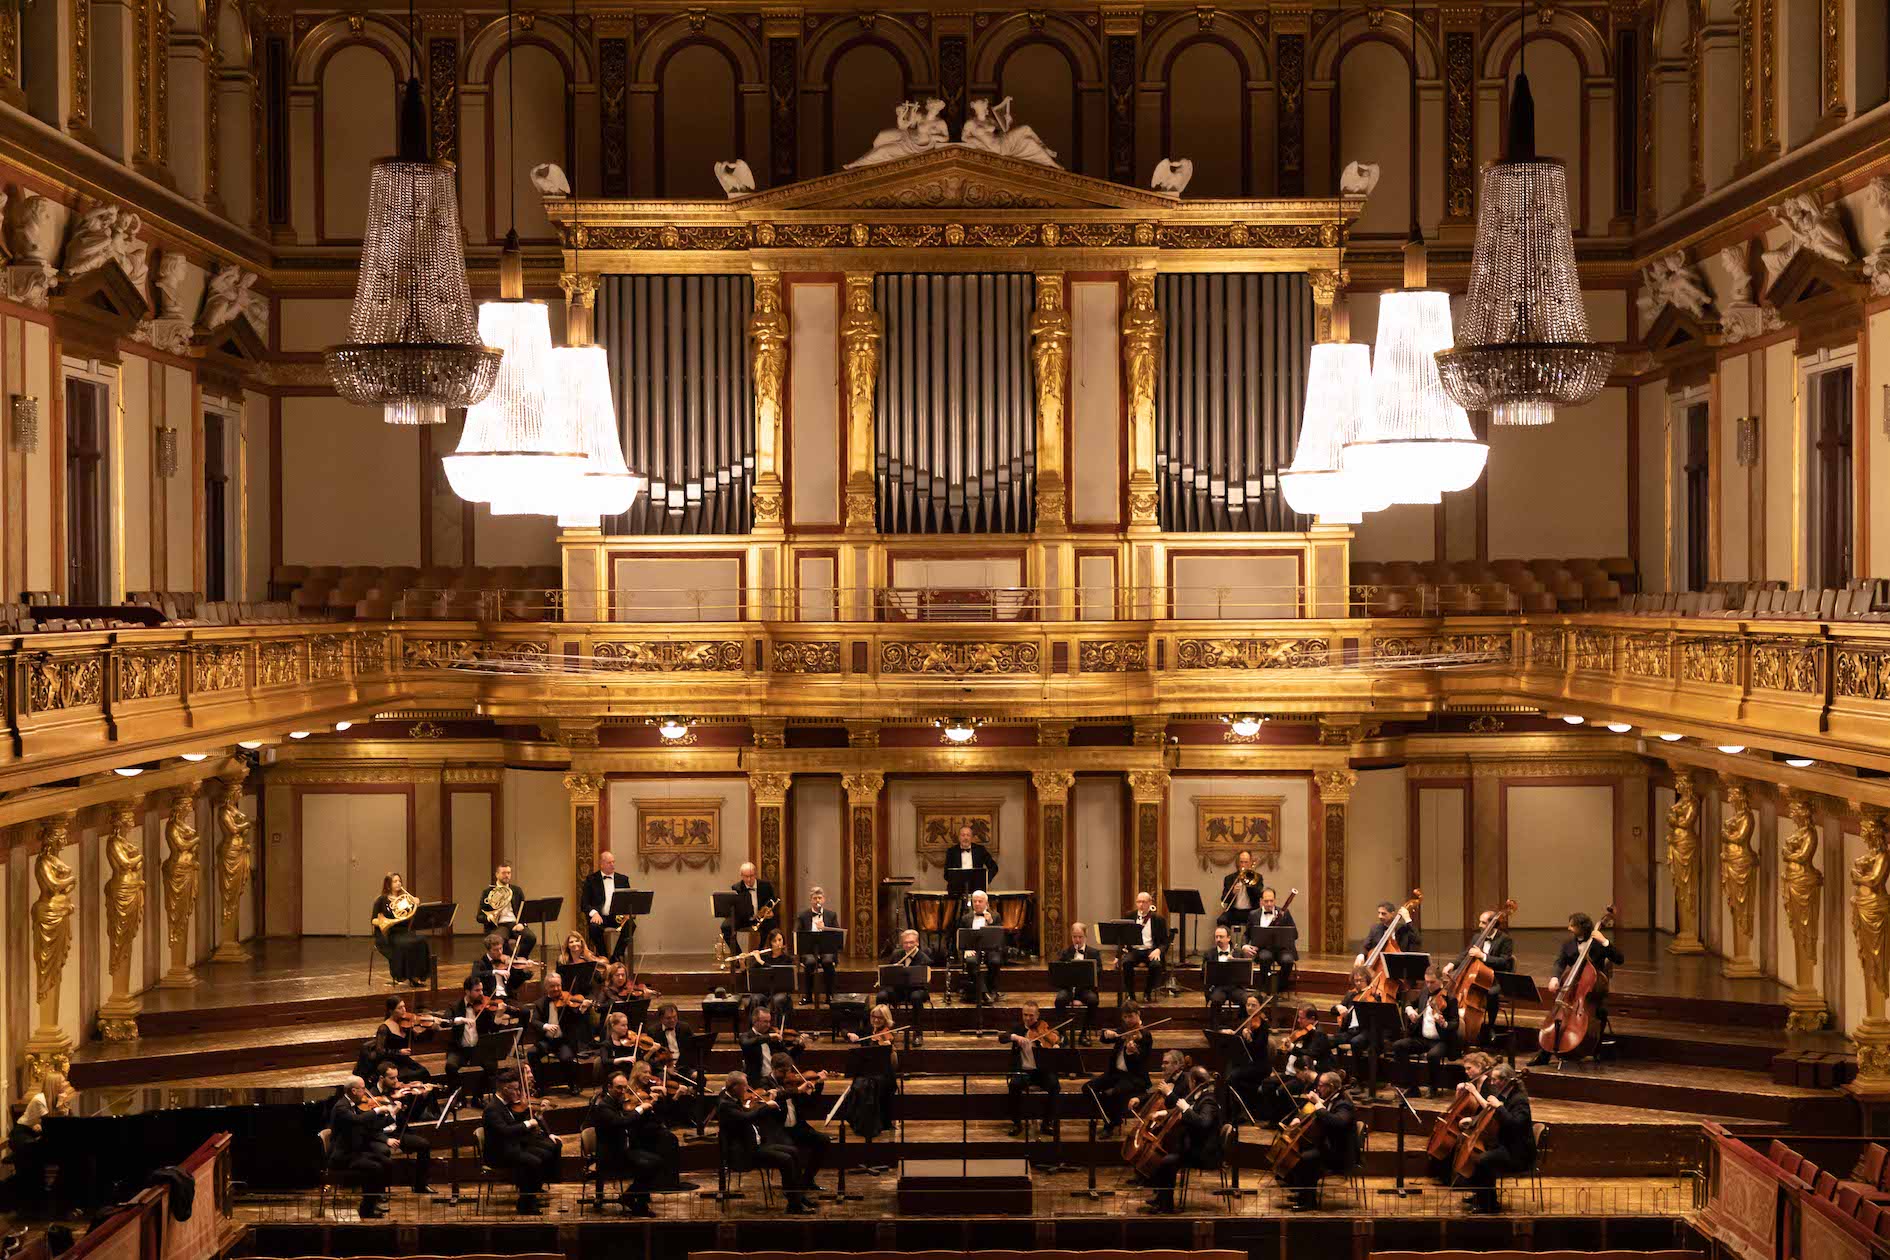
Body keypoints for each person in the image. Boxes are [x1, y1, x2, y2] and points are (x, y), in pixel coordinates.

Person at [1531, 911, 1625, 1065]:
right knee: (1558, 1014)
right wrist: (1555, 978)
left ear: (1583, 927)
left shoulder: (1598, 943)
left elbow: (1619, 959)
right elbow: (1560, 962)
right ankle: (1545, 1053)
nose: (1569, 928)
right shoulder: (1568, 944)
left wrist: (1605, 942)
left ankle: (1596, 1048)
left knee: (1601, 1012)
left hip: (1593, 989)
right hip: (1573, 989)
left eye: (1572, 925)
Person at [716, 1071, 813, 1214]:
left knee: (793, 1151)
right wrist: (766, 1107)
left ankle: (797, 1196)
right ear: (735, 1087)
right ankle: (794, 1205)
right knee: (786, 1160)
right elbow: (745, 1118)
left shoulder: (733, 1098)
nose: (748, 1089)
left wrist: (763, 1104)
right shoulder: (725, 1104)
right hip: (746, 1153)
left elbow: (749, 1113)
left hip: (756, 1145)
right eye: (745, 1086)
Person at [1142, 1066, 1223, 1214]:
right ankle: (1162, 1198)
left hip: (1204, 1153)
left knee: (1167, 1162)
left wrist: (1186, 1109)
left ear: (1193, 1081)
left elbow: (1203, 1123)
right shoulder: (1198, 1095)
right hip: (1193, 1147)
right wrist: (1164, 1112)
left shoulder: (1209, 1101)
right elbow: (1183, 1108)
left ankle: (1166, 1206)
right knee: (1167, 1158)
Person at [481, 1070, 561, 1213]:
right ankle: (525, 1205)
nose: (518, 1093)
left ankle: (532, 1195)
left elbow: (514, 1124)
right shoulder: (492, 1109)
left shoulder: (505, 1104)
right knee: (533, 1162)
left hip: (511, 1146)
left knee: (544, 1153)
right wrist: (528, 1124)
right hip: (499, 1153)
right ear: (506, 1089)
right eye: (516, 1089)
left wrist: (536, 1118)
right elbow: (505, 1131)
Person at [1459, 1065, 1536, 1213]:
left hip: (1519, 1153)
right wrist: (1473, 1120)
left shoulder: (1520, 1100)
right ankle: (1482, 1196)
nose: (1492, 1083)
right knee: (1477, 1153)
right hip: (1506, 1145)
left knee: (1483, 1160)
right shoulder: (1504, 1096)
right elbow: (1491, 1116)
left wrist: (1499, 1107)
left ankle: (1489, 1205)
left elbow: (1515, 1125)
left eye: (1495, 1080)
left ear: (1505, 1081)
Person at [1276, 1071, 1356, 1210]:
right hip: (1327, 1147)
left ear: (1330, 1086)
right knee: (1300, 1153)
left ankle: (1309, 1202)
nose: (1318, 1088)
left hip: (1339, 1153)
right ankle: (1302, 1192)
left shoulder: (1344, 1104)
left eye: (1320, 1085)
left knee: (1304, 1159)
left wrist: (1318, 1104)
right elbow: (1314, 1115)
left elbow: (1338, 1122)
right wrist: (1299, 1118)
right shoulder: (1329, 1099)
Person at [590, 1069, 660, 1215]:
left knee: (656, 1160)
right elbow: (621, 1122)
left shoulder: (617, 1102)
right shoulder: (603, 1107)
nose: (623, 1091)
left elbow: (630, 1120)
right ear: (609, 1087)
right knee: (647, 1165)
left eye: (625, 1087)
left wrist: (648, 1108)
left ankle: (630, 1197)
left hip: (622, 1150)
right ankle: (637, 1203)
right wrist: (640, 1108)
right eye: (619, 1088)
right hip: (611, 1155)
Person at [328, 1076, 399, 1218]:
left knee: (387, 1162)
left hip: (356, 1151)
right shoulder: (342, 1107)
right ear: (353, 1091)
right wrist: (377, 1111)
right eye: (362, 1089)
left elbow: (369, 1128)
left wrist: (392, 1115)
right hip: (344, 1156)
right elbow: (358, 1121)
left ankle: (372, 1202)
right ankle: (367, 1209)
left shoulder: (354, 1105)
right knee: (376, 1168)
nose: (365, 1092)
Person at [1445, 907, 1516, 1042]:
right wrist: (1452, 965)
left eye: (1483, 923)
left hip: (1496, 978)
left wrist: (1483, 956)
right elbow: (1466, 953)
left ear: (1492, 924)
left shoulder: (1505, 940)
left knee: (1491, 993)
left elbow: (1504, 962)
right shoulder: (1477, 937)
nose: (1479, 925)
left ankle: (1490, 1026)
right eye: (1480, 922)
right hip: (1478, 976)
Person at [7, 1071, 75, 1211]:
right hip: (22, 1134)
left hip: (36, 1132)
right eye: (63, 1081)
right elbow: (52, 1124)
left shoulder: (57, 1098)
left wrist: (64, 1106)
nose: (66, 1083)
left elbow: (58, 1125)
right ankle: (37, 1197)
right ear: (55, 1084)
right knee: (35, 1156)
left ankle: (57, 1193)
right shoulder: (40, 1099)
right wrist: (61, 1107)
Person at [1388, 966, 1459, 1097]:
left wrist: (1444, 1023)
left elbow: (1455, 1023)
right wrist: (1410, 1010)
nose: (1429, 985)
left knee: (1432, 1055)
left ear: (1440, 980)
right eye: (1426, 982)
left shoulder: (1450, 998)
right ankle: (1411, 1086)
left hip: (1441, 1040)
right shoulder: (1425, 992)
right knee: (1398, 1046)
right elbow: (1410, 1002)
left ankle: (1433, 1087)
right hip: (1422, 1038)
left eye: (1432, 982)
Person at [1087, 1002, 1153, 1136]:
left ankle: (1111, 1125)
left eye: (1131, 1016)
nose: (1128, 1020)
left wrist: (1130, 1053)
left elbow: (1141, 1062)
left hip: (1134, 1077)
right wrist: (1106, 1034)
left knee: (1112, 1093)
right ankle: (1109, 1119)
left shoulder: (1145, 1035)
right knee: (1088, 1087)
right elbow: (1104, 1039)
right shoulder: (1123, 1029)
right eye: (1125, 1017)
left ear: (1138, 1014)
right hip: (1115, 1073)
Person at [369, 1064, 437, 1194]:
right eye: (392, 1078)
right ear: (382, 1078)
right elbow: (371, 1127)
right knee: (383, 1152)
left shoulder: (398, 1093)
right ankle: (379, 1192)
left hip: (398, 1132)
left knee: (424, 1145)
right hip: (380, 1135)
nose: (396, 1082)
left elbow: (412, 1116)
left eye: (396, 1078)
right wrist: (386, 1140)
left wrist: (423, 1097)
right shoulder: (372, 1096)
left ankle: (420, 1185)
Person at [443, 978, 514, 1095]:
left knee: (492, 1066)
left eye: (481, 989)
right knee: (450, 1066)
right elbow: (445, 1021)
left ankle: (478, 1096)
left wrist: (499, 1015)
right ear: (467, 991)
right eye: (477, 990)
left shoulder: (484, 1007)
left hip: (479, 1048)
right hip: (459, 1049)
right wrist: (460, 1020)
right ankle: (457, 1097)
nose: (481, 993)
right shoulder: (455, 1006)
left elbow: (493, 1028)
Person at [1003, 1000, 1062, 1138]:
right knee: (1014, 1085)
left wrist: (1055, 1046)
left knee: (1055, 1085)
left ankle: (1047, 1123)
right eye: (1025, 1015)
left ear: (1038, 1015)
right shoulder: (1018, 1029)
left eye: (1031, 1015)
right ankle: (1017, 1123)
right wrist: (1015, 1037)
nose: (1028, 1018)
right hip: (1023, 1071)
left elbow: (1058, 1038)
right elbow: (1002, 1037)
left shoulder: (1044, 1028)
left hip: (1041, 1071)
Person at [370, 873, 432, 986]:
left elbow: (410, 916)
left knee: (421, 941)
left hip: (403, 932)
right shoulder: (381, 900)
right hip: (388, 934)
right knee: (403, 944)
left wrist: (415, 904)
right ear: (388, 885)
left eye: (399, 881)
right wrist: (384, 922)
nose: (398, 883)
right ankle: (404, 976)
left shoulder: (406, 899)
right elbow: (373, 920)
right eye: (395, 881)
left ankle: (416, 975)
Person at [528, 972, 589, 1082]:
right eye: (552, 986)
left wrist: (582, 1009)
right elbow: (534, 1021)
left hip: (564, 1041)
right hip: (546, 1041)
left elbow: (577, 1019)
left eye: (558, 985)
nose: (556, 989)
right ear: (546, 987)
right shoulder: (540, 1003)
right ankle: (540, 1085)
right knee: (532, 1054)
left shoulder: (568, 1001)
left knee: (566, 1058)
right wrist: (545, 1026)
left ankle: (573, 1084)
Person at [877, 929, 934, 1045]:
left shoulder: (924, 959)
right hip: (900, 989)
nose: (908, 945)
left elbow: (924, 983)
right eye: (905, 943)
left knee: (916, 997)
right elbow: (889, 976)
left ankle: (918, 1034)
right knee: (881, 996)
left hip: (917, 990)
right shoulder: (896, 954)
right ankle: (883, 1032)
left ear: (917, 943)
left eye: (911, 942)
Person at [580, 851, 635, 961]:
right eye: (609, 862)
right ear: (602, 864)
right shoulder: (591, 880)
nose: (613, 865)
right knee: (594, 928)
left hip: (616, 917)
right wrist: (594, 913)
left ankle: (616, 956)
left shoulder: (623, 879)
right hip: (600, 916)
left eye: (613, 862)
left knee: (630, 925)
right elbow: (584, 903)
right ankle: (603, 956)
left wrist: (627, 913)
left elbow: (628, 900)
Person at [1053, 922, 1103, 1043]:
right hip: (1069, 989)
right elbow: (1059, 973)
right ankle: (1063, 1034)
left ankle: (1084, 1033)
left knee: (1093, 1000)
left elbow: (1099, 972)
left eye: (1080, 937)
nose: (1077, 940)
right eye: (1075, 937)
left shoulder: (1094, 953)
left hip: (1085, 990)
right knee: (1059, 1000)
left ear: (1085, 937)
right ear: (1071, 937)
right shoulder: (1065, 952)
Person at [476, 862, 536, 961]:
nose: (507, 875)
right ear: (497, 874)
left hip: (515, 923)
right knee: (500, 941)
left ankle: (521, 959)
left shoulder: (517, 890)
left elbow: (524, 911)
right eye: (504, 873)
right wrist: (490, 917)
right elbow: (479, 917)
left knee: (531, 938)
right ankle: (504, 962)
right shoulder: (488, 892)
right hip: (498, 925)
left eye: (509, 873)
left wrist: (522, 923)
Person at [794, 887, 842, 1005]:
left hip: (827, 949)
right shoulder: (802, 915)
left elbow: (837, 933)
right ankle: (808, 996)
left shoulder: (831, 915)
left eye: (819, 898)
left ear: (823, 899)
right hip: (809, 950)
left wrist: (824, 928)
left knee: (827, 961)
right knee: (810, 962)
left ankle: (829, 995)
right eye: (815, 898)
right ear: (811, 900)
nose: (817, 901)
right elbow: (797, 933)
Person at [956, 890, 1005, 1005]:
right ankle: (984, 992)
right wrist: (966, 949)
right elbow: (961, 936)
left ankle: (992, 990)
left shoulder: (995, 916)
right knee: (971, 961)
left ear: (986, 903)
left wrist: (990, 922)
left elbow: (999, 936)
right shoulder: (965, 918)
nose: (977, 904)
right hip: (973, 948)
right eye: (975, 901)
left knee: (995, 961)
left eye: (980, 901)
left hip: (991, 948)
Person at [1119, 891, 1169, 1003]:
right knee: (1126, 963)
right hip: (1134, 950)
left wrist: (1158, 950)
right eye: (1139, 902)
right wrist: (1118, 955)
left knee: (1156, 965)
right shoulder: (1129, 916)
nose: (1141, 904)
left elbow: (1165, 941)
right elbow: (1122, 937)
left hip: (1150, 950)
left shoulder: (1159, 919)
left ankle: (1147, 992)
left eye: (1144, 902)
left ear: (1150, 903)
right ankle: (1131, 995)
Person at [371, 997, 436, 1083]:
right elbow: (380, 1051)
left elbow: (418, 1040)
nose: (404, 1010)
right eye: (400, 1008)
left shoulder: (406, 1024)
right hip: (390, 1062)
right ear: (391, 1011)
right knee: (405, 1077)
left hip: (404, 1060)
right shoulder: (384, 1028)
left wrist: (431, 1030)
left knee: (423, 1072)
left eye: (404, 1006)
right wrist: (399, 1052)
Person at [1248, 887, 1299, 993]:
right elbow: (1247, 934)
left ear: (1275, 900)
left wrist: (1283, 924)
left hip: (1282, 949)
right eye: (1266, 901)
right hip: (1264, 949)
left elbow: (1295, 934)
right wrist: (1245, 946)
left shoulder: (1284, 913)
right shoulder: (1253, 915)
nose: (1269, 904)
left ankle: (1278, 986)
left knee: (1288, 960)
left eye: (1271, 901)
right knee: (1264, 958)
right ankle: (1266, 986)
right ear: (1261, 901)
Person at [721, 862, 779, 954]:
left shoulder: (765, 885)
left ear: (755, 874)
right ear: (741, 876)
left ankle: (760, 953)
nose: (748, 879)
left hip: (761, 918)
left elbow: (773, 900)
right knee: (725, 927)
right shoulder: (736, 887)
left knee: (772, 925)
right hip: (744, 919)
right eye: (745, 876)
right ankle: (739, 956)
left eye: (751, 876)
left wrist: (770, 911)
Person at [739, 1005, 805, 1082]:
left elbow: (787, 1055)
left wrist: (800, 1046)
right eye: (765, 1022)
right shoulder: (746, 1036)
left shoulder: (772, 1038)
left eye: (769, 1021)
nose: (768, 1025)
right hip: (756, 1080)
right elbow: (746, 1043)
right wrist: (768, 1037)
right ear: (754, 1021)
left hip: (774, 1079)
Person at [470, 932, 537, 1004]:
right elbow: (475, 975)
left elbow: (516, 983)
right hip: (491, 999)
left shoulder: (506, 962)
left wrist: (526, 969)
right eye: (495, 950)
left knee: (525, 1012)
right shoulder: (480, 962)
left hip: (507, 997)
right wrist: (495, 972)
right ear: (488, 950)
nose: (500, 952)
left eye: (500, 948)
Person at [1203, 925, 1256, 1014]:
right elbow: (1204, 973)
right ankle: (1215, 1027)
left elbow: (1244, 972)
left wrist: (1233, 963)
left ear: (1228, 938)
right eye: (1216, 937)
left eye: (1221, 937)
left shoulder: (1238, 953)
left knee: (1246, 1000)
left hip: (1235, 987)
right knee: (1216, 1000)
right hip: (1218, 987)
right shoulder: (1209, 954)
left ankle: (1241, 1025)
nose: (1218, 939)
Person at [1356, 900, 1420, 964]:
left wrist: (1407, 919)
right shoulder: (1375, 928)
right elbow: (1366, 944)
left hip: (1400, 964)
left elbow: (1417, 940)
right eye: (1379, 913)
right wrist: (1361, 955)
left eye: (1383, 914)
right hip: (1379, 964)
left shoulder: (1404, 929)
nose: (1380, 916)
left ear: (1392, 914)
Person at [1332, 966, 1374, 1058]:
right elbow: (1333, 1011)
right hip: (1349, 1032)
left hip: (1364, 1032)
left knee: (1355, 1042)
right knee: (1326, 1040)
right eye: (1356, 981)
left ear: (1367, 979)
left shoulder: (1373, 995)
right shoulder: (1351, 995)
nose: (1358, 983)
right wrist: (1338, 1007)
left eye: (1361, 980)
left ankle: (1357, 1071)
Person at [1216, 851, 1260, 934]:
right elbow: (1224, 899)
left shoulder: (1257, 877)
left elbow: (1258, 896)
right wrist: (1233, 892)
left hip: (1250, 912)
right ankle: (1228, 945)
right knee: (1221, 920)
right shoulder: (1229, 878)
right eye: (1241, 862)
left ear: (1250, 863)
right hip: (1234, 911)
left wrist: (1248, 884)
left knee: (1257, 922)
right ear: (1238, 863)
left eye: (1246, 862)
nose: (1243, 865)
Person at [556, 931, 610, 998]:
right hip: (569, 996)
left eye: (577, 941)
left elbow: (599, 979)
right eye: (571, 942)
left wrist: (606, 970)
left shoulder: (588, 960)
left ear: (581, 943)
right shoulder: (562, 962)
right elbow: (559, 980)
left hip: (588, 995)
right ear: (568, 945)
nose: (574, 944)